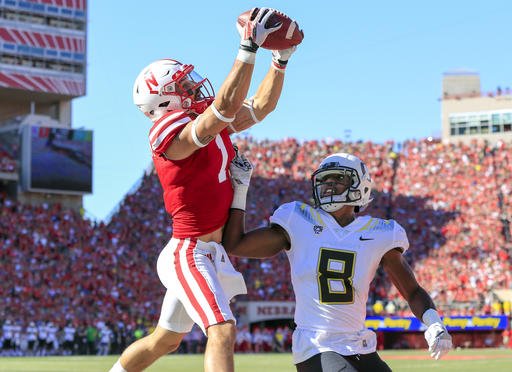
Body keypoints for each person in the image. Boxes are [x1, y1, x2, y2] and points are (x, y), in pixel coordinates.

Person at [110, 7, 302, 372]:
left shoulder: (209, 123)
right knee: (223, 329)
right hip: (189, 250)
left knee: (164, 340)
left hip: (212, 251)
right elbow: (225, 109)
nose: (193, 86)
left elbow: (261, 106)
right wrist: (247, 47)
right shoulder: (166, 132)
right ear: (163, 101)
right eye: (181, 87)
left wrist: (280, 60)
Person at [223, 152, 453, 372]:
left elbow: (411, 290)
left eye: (338, 179)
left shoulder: (380, 233)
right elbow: (236, 244)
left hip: (359, 343)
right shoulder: (298, 219)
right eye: (325, 180)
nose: (329, 185)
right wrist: (241, 188)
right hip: (317, 343)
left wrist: (434, 323)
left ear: (360, 186)